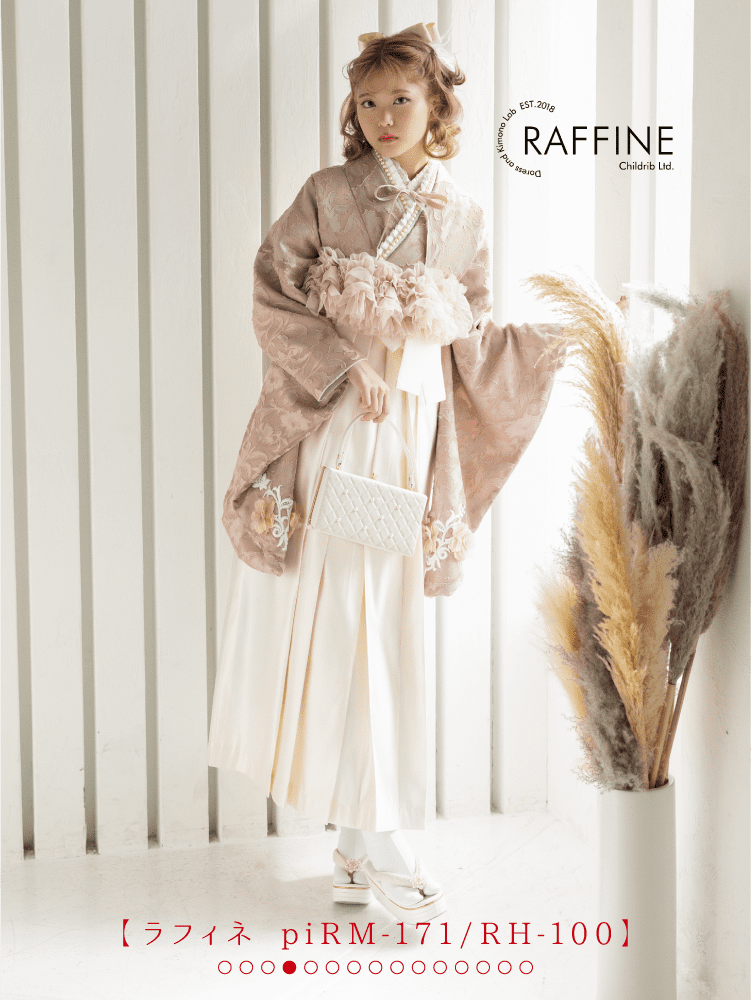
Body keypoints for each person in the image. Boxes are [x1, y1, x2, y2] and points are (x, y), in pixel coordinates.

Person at [207, 22, 568, 924]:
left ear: (436, 104)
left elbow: (470, 336)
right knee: (349, 614)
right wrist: (342, 366)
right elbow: (272, 291)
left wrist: (556, 340)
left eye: (400, 99)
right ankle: (382, 835)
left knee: (381, 620)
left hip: (412, 431)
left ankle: (353, 841)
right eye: (367, 102)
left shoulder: (464, 215)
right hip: (342, 424)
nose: (381, 117)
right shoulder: (327, 194)